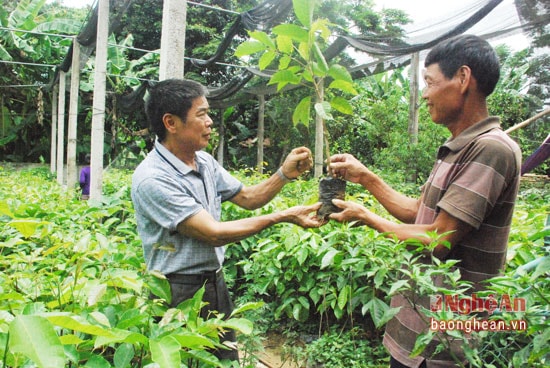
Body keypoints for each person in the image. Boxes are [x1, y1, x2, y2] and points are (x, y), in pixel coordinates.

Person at [328, 34, 521, 367]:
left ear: (462, 79)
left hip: (445, 341)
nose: (425, 95)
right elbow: (419, 214)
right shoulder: (458, 146)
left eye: (429, 83)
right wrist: (367, 178)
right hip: (418, 327)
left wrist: (366, 217)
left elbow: (438, 238)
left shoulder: (490, 149)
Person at [131, 78, 323, 362]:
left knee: (224, 361)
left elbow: (247, 198)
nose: (210, 122)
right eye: (201, 114)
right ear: (171, 123)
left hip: (214, 284)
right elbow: (213, 233)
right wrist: (284, 216)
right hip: (177, 292)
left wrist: (283, 174)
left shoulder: (204, 162)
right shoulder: (153, 178)